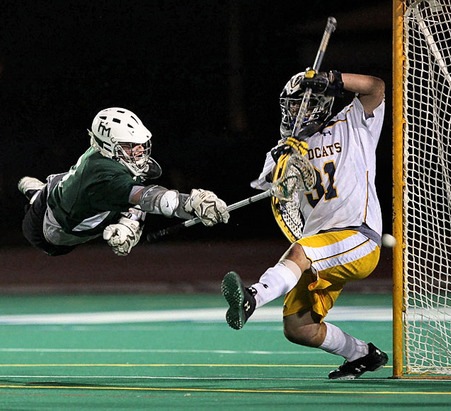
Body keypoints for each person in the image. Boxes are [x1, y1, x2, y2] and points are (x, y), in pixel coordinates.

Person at [221, 69, 389, 380]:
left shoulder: (352, 122)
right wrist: (287, 164)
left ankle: (252, 297)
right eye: (292, 105)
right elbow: (273, 188)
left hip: (358, 237)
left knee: (299, 251)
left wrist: (332, 80)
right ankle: (363, 354)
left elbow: (375, 87)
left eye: (303, 103)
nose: (295, 111)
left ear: (320, 103)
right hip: (321, 248)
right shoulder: (285, 147)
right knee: (299, 327)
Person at [18, 107, 230, 257]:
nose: (139, 151)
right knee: (133, 196)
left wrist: (129, 223)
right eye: (130, 145)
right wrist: (189, 203)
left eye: (140, 145)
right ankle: (35, 194)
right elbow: (147, 198)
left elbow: (137, 189)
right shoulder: (105, 177)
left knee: (125, 190)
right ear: (108, 146)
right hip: (50, 231)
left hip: (69, 191)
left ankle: (41, 191)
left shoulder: (108, 157)